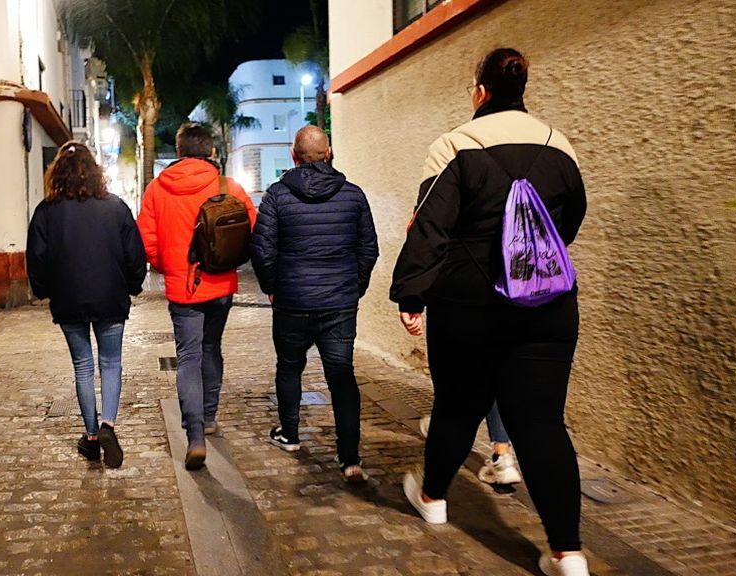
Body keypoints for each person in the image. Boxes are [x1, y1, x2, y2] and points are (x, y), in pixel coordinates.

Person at [390, 48, 589, 576]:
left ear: (480, 92)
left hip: (469, 303)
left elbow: (429, 228)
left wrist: (412, 296)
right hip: (547, 304)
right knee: (542, 422)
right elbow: (569, 221)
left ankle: (432, 498)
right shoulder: (559, 144)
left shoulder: (455, 145)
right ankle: (567, 554)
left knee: (457, 405)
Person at [251, 126, 379, 483]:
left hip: (292, 301)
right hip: (339, 302)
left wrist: (272, 287)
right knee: (341, 374)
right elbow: (369, 248)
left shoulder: (277, 196)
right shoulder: (353, 196)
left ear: (294, 155)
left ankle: (290, 435)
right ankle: (350, 457)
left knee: (290, 366)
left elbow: (262, 250)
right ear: (329, 153)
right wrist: (355, 287)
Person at [136, 123, 256, 470]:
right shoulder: (227, 186)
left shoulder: (158, 189)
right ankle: (208, 416)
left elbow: (148, 241)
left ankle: (195, 436)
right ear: (211, 151)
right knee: (211, 348)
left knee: (188, 356)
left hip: (183, 288)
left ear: (179, 151)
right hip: (220, 285)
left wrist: (170, 266)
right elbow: (252, 228)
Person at [26, 142, 146, 468]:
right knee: (111, 363)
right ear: (95, 172)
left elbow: (36, 260)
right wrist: (132, 286)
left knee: (83, 366)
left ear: (56, 174)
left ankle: (92, 438)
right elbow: (136, 255)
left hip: (68, 299)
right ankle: (108, 423)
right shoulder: (116, 207)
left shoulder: (46, 212)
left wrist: (43, 290)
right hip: (110, 297)